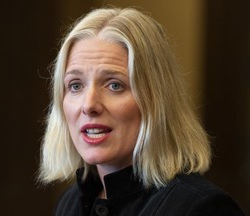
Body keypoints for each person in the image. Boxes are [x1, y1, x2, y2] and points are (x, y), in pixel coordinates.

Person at [39, 7, 245, 216]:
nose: (89, 104)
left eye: (114, 85)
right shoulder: (69, 203)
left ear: (156, 99)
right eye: (75, 85)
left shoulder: (202, 208)